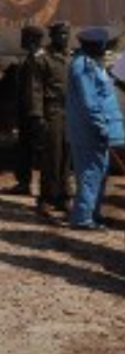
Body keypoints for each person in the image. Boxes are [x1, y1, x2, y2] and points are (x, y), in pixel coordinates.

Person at [65, 27, 123, 230]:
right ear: (95, 46)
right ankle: (82, 219)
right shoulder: (83, 67)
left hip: (97, 131)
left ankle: (93, 214)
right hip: (90, 131)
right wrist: (101, 127)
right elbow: (89, 104)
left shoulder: (92, 63)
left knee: (100, 172)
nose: (104, 49)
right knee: (90, 174)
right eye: (102, 46)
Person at [30, 21, 72, 217]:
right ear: (52, 36)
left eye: (66, 34)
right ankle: (46, 198)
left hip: (70, 111)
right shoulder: (42, 58)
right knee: (51, 156)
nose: (64, 37)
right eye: (60, 34)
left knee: (67, 156)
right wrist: (37, 114)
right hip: (51, 110)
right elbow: (35, 88)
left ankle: (64, 196)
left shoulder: (71, 57)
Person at [5, 25, 45, 195]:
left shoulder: (43, 60)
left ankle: (46, 188)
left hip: (38, 113)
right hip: (26, 111)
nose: (21, 40)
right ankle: (23, 183)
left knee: (42, 151)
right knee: (23, 148)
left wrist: (39, 113)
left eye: (24, 37)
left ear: (32, 39)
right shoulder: (28, 59)